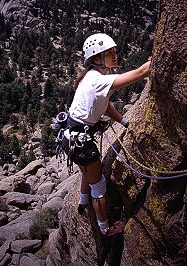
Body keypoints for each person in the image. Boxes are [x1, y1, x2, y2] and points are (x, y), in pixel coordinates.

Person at [62, 32, 151, 236]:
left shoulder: (93, 76)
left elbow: (104, 104)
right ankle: (106, 229)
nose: (115, 55)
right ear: (96, 58)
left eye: (114, 51)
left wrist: (122, 120)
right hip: (81, 142)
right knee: (99, 185)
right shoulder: (97, 81)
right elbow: (140, 73)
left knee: (91, 170)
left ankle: (83, 201)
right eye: (109, 52)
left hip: (74, 137)